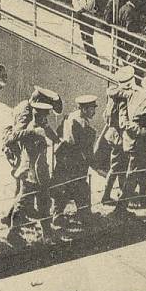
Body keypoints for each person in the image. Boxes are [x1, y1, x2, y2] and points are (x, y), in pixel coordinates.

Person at [3, 89, 60, 247]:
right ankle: (13, 233)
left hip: (39, 172)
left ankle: (46, 233)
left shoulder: (39, 124)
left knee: (43, 202)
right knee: (23, 204)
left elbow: (48, 131)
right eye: (45, 114)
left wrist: (58, 140)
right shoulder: (32, 129)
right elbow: (30, 153)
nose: (47, 117)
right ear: (38, 114)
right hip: (31, 173)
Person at [113, 73, 146, 215]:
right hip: (137, 145)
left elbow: (118, 95)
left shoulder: (135, 95)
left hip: (129, 140)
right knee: (132, 176)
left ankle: (142, 196)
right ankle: (120, 207)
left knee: (145, 168)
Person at [52, 95, 98, 225]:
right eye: (91, 109)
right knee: (77, 186)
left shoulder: (70, 116)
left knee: (69, 187)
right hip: (73, 161)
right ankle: (81, 215)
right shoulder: (81, 123)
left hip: (65, 157)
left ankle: (75, 214)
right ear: (84, 109)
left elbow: (59, 132)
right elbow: (82, 146)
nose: (94, 112)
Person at [98, 67, 135, 205]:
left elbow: (105, 115)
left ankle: (121, 191)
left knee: (119, 166)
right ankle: (106, 196)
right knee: (116, 167)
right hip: (119, 137)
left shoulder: (112, 96)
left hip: (111, 134)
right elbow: (123, 122)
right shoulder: (123, 100)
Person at [71, 0, 100, 66]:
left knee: (88, 38)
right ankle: (88, 56)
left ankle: (95, 58)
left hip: (89, 17)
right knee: (83, 36)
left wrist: (81, 9)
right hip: (80, 15)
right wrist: (78, 9)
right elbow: (74, 1)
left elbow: (89, 6)